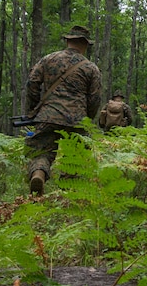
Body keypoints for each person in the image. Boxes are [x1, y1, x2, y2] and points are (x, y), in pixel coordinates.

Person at [24, 25, 103, 195]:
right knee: (75, 159)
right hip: (77, 119)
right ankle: (68, 196)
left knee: (42, 152)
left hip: (48, 115)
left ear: (68, 40)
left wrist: (34, 109)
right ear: (86, 45)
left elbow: (32, 83)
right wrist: (86, 120)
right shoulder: (91, 68)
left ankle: (38, 174)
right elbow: (95, 99)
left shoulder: (48, 59)